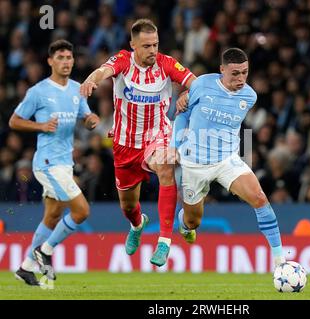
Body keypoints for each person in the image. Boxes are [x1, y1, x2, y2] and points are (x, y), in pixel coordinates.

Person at [80, 19, 196, 267]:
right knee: (128, 206)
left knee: (166, 168)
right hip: (124, 145)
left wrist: (188, 93)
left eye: (155, 44)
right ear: (133, 45)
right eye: (146, 46)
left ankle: (164, 241)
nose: (152, 50)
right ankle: (137, 224)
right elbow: (103, 71)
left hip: (158, 136)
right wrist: (92, 79)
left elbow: (195, 83)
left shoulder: (166, 64)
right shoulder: (122, 60)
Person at [172, 48, 285, 267]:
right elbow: (183, 113)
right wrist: (176, 145)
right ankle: (184, 225)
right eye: (235, 73)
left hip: (227, 160)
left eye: (244, 72)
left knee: (260, 198)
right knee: (193, 221)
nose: (241, 78)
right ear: (221, 70)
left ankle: (280, 261)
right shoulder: (202, 85)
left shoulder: (249, 96)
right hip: (195, 163)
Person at [9, 40, 100, 285]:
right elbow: (14, 121)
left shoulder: (77, 89)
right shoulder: (38, 91)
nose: (66, 62)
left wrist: (91, 119)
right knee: (81, 210)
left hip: (64, 162)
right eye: (60, 57)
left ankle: (26, 267)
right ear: (50, 61)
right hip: (47, 163)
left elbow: (85, 116)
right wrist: (40, 125)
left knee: (52, 216)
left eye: (69, 57)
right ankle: (45, 251)